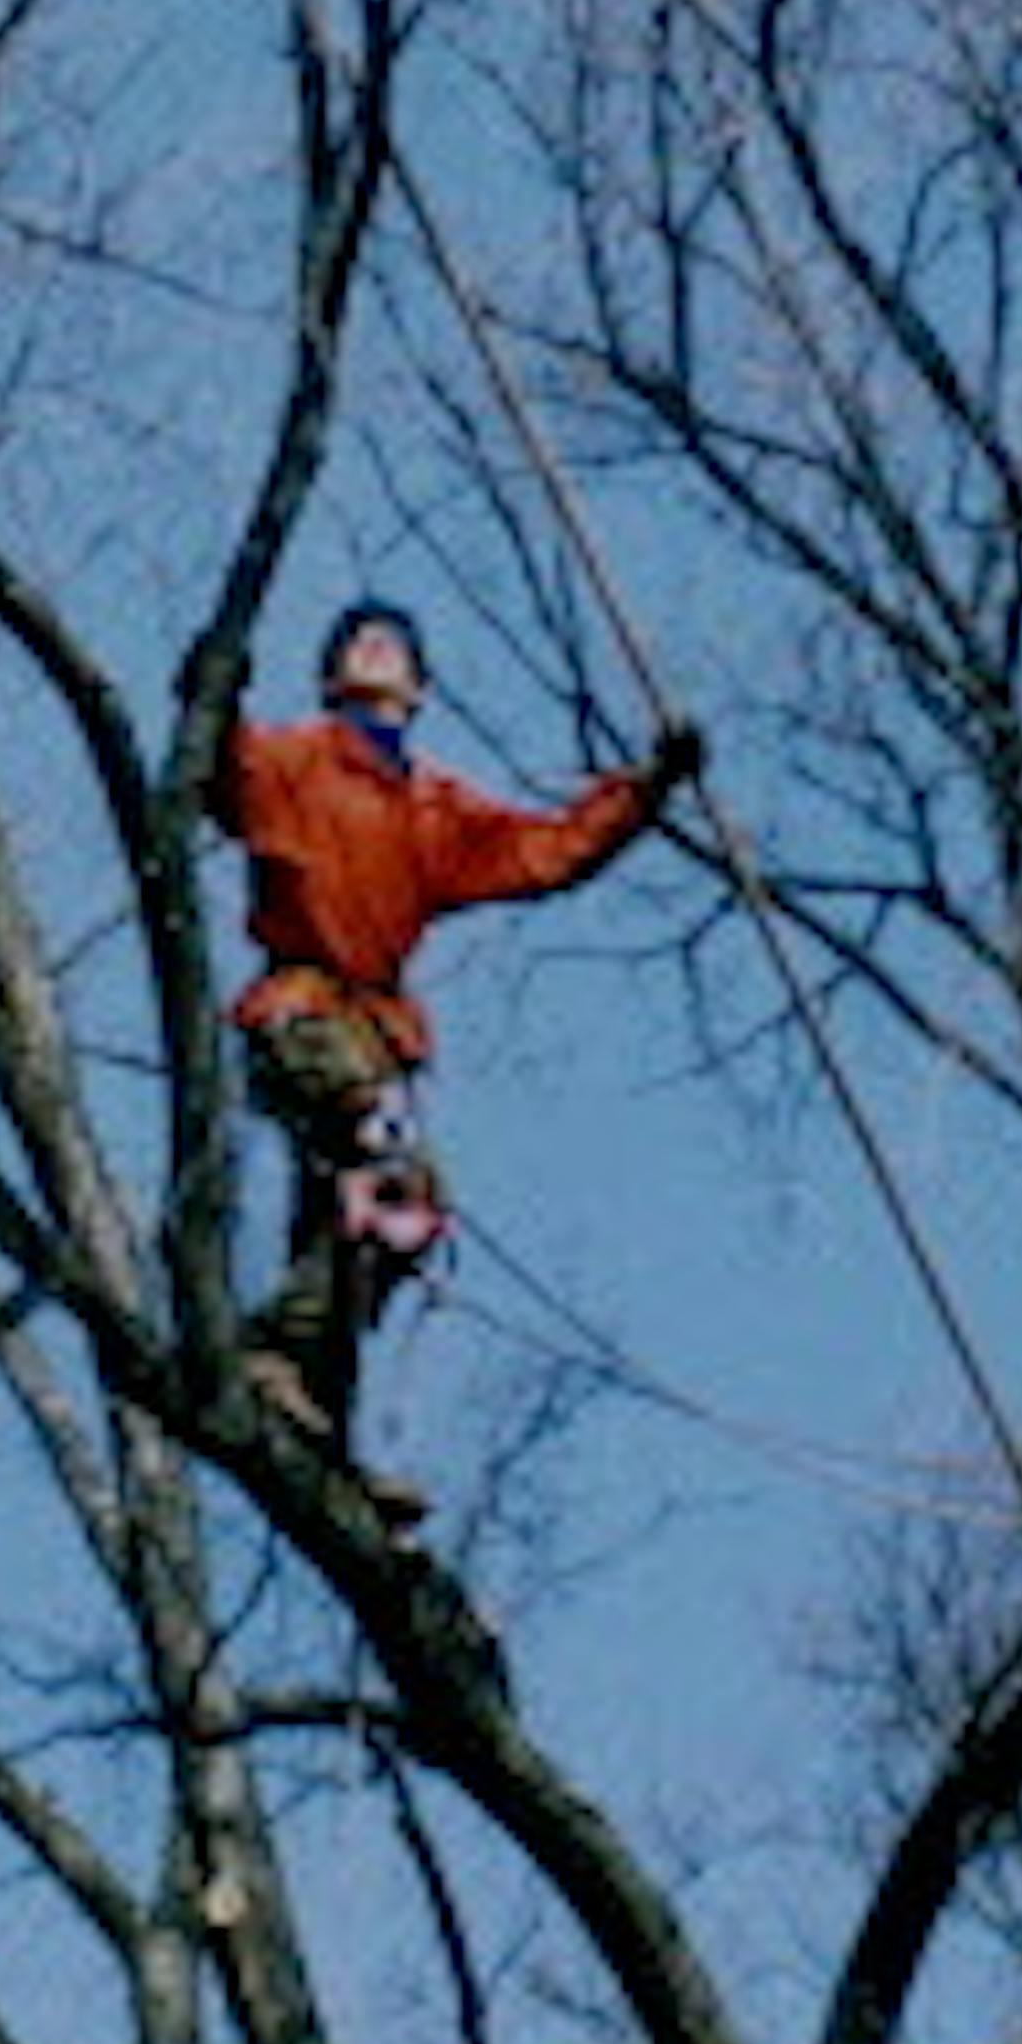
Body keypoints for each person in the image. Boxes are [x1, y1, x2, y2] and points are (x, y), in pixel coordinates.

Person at [210, 597, 703, 1524]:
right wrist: (216, 676)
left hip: (374, 1031)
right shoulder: (293, 759)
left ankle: (319, 1435)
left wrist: (647, 791)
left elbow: (546, 850)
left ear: (422, 686)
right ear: (330, 677)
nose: (379, 644)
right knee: (397, 1181)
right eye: (358, 639)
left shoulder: (435, 807)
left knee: (359, 1234)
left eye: (397, 642)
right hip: (303, 1012)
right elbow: (220, 763)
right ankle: (269, 1352)